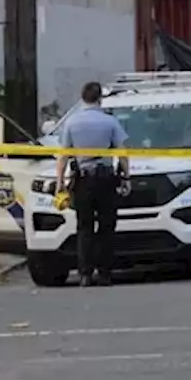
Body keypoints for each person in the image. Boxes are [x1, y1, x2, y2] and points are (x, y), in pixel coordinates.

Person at [57, 82, 130, 287]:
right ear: (100, 98)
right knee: (107, 226)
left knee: (84, 227)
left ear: (82, 98)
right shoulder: (110, 122)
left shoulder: (72, 123)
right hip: (106, 179)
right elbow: (122, 153)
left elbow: (63, 156)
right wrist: (126, 177)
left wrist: (60, 183)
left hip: (83, 179)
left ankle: (85, 274)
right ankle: (105, 273)